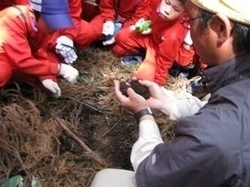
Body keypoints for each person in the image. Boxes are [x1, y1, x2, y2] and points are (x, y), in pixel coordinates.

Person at [90, 0, 250, 186]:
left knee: (106, 180)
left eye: (190, 21)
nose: (188, 30)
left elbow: (153, 172)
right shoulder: (238, 86)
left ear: (221, 29)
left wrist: (143, 114)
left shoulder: (212, 138)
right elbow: (214, 105)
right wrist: (170, 104)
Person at [0, 0, 79, 98]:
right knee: (2, 72)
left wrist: (47, 77)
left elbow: (40, 52)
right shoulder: (11, 19)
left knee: (39, 81)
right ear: (34, 14)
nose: (55, 27)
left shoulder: (42, 27)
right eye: (51, 21)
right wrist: (59, 69)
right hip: (5, 58)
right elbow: (23, 62)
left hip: (15, 59)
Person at [111, 0, 192, 86]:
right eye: (167, 2)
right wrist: (142, 24)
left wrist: (157, 83)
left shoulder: (173, 35)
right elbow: (149, 13)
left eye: (175, 9)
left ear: (184, 13)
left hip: (159, 50)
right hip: (150, 37)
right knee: (120, 40)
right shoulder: (156, 2)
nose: (167, 11)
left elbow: (165, 60)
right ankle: (141, 54)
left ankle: (146, 58)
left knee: (143, 78)